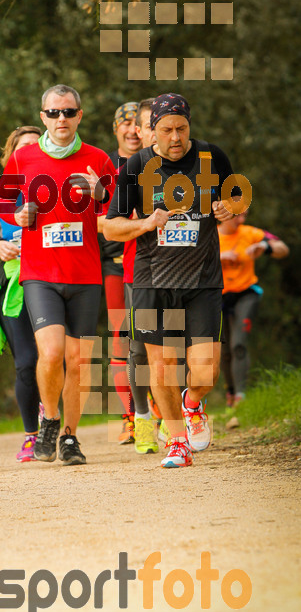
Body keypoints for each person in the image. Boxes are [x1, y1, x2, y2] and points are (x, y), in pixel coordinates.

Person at [104, 93, 243, 468]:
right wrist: (146, 222)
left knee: (206, 371)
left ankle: (192, 402)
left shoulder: (212, 157)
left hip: (202, 279)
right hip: (151, 279)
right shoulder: (135, 166)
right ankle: (177, 442)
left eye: (181, 128)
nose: (175, 137)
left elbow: (239, 196)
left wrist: (231, 206)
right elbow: (109, 226)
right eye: (166, 130)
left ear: (190, 127)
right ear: (153, 133)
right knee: (160, 366)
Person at [0, 85, 116, 465]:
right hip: (40, 272)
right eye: (53, 113)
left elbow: (119, 208)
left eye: (68, 112)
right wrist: (17, 216)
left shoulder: (97, 158)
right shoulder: (23, 158)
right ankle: (49, 417)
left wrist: (100, 194)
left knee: (77, 360)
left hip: (84, 274)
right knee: (50, 352)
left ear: (80, 115)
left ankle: (69, 438)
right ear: (43, 116)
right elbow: (1, 201)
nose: (60, 119)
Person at [0, 126, 42, 462]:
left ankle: (57, 423)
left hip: (55, 281)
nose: (29, 152)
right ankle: (32, 434)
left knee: (55, 357)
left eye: (35, 146)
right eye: (21, 147)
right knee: (26, 363)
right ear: (11, 155)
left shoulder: (58, 189)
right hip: (14, 286)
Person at [121, 97, 165, 455]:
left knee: (181, 343)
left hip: (189, 268)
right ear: (140, 130)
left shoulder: (194, 163)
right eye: (150, 125)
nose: (155, 132)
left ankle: (181, 413)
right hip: (142, 268)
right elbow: (113, 221)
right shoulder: (132, 167)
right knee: (138, 347)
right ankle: (143, 419)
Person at [101, 102, 141, 446]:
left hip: (157, 262)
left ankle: (162, 411)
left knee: (162, 336)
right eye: (124, 125)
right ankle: (129, 417)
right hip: (113, 265)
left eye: (136, 125)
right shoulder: (102, 167)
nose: (131, 131)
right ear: (116, 130)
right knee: (120, 338)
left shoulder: (161, 165)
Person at [218, 213, 289, 406]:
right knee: (224, 351)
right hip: (218, 297)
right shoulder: (211, 236)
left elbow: (282, 248)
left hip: (246, 294)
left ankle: (241, 396)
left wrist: (265, 247)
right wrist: (218, 256)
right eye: (236, 217)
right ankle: (230, 393)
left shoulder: (250, 232)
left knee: (238, 344)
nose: (241, 220)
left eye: (244, 216)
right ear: (223, 215)